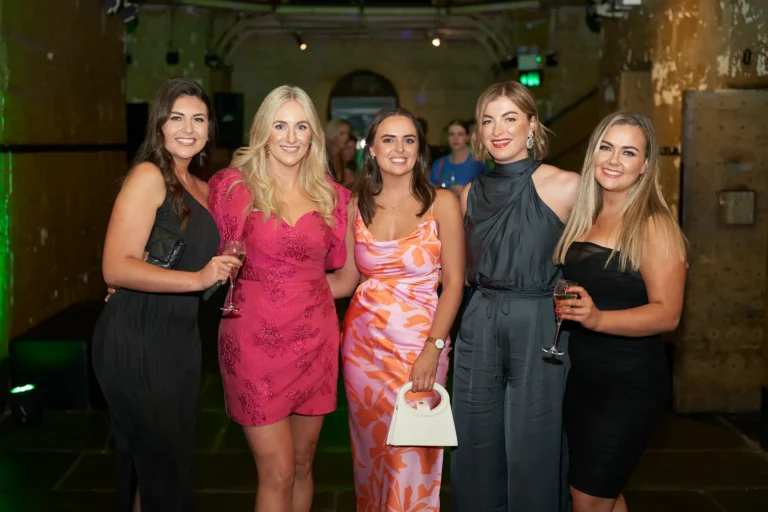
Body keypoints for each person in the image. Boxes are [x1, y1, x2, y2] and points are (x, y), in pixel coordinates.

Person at [93, 77, 240, 512]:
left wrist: (216, 276)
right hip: (135, 334)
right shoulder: (148, 175)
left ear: (210, 129)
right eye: (176, 117)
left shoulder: (203, 187)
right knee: (163, 467)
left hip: (179, 339)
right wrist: (198, 279)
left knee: (160, 466)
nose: (188, 128)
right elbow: (116, 266)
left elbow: (178, 262)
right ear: (159, 124)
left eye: (198, 119)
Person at [207, 85, 350, 512]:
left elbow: (345, 274)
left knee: (304, 465)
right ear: (263, 131)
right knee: (279, 470)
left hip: (315, 341)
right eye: (280, 126)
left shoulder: (333, 196)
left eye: (301, 126)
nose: (290, 137)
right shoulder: (232, 188)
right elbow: (192, 238)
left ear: (313, 136)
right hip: (253, 340)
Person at [450, 81, 580, 512]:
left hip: (539, 320)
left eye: (509, 117)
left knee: (534, 446)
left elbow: (612, 245)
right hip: (478, 321)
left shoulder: (567, 186)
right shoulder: (468, 195)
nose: (498, 129)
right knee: (475, 440)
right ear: (478, 133)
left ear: (531, 124)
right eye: (488, 120)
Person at [326, 107, 465, 510]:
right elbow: (347, 280)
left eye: (409, 140)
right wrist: (280, 283)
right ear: (372, 149)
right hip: (363, 349)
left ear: (420, 149)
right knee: (372, 454)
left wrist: (433, 348)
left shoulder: (443, 203)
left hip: (420, 345)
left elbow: (454, 283)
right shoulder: (357, 206)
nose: (399, 148)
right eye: (389, 139)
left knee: (414, 455)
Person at [553, 111, 687, 512]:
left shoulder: (654, 224)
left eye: (628, 152)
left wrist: (598, 319)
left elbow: (668, 315)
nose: (613, 160)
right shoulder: (585, 216)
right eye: (606, 147)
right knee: (601, 497)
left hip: (628, 385)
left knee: (588, 499)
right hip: (582, 378)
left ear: (645, 165)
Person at [429, 119, 487, 195]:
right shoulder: (439, 164)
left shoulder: (479, 163)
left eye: (460, 134)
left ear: (467, 137)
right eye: (451, 134)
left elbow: (488, 191)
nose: (455, 139)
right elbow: (431, 191)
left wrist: (466, 192)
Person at [326, 118, 353, 185]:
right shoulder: (324, 158)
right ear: (332, 135)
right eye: (342, 133)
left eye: (348, 133)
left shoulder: (341, 156)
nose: (346, 137)